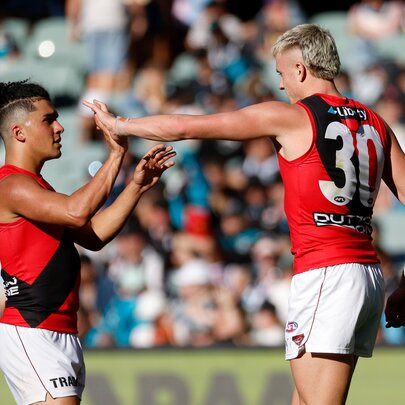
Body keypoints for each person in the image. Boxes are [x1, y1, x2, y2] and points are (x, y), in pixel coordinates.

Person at [84, 23, 405, 404]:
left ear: (300, 69)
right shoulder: (375, 122)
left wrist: (120, 124)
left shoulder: (292, 117)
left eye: (282, 74)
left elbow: (187, 126)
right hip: (366, 274)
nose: (282, 85)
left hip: (326, 273)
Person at [0, 80, 175, 405]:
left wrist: (135, 186)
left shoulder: (37, 188)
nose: (60, 126)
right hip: (34, 328)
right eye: (48, 119)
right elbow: (77, 212)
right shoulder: (11, 186)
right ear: (19, 132)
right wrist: (116, 154)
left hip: (60, 330)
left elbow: (92, 236)